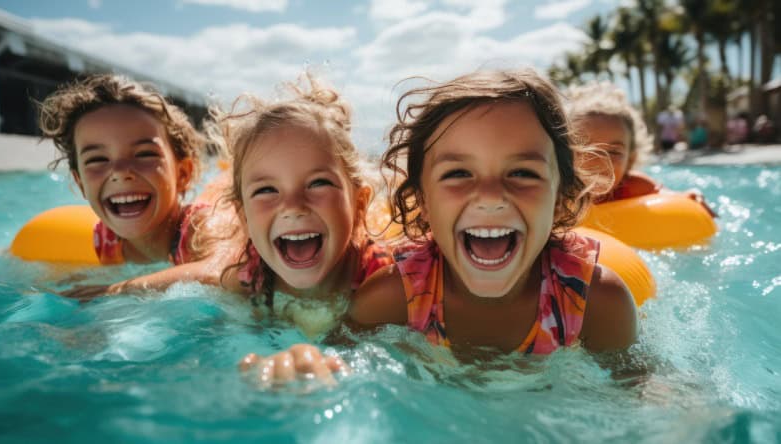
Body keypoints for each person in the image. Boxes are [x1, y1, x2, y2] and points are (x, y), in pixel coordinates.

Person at [239, 69, 638, 383]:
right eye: (458, 173)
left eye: (522, 172)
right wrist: (301, 361)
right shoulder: (393, 299)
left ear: (563, 194)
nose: (489, 195)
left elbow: (642, 395)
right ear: (423, 202)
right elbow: (335, 363)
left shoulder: (596, 304)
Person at [217, 73, 393, 337]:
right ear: (243, 217)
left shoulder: (383, 283)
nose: (293, 206)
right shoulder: (248, 280)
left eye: (318, 183)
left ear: (359, 204)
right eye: (266, 190)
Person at [39, 74, 240, 298]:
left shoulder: (201, 228)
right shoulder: (106, 241)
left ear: (183, 173)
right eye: (97, 159)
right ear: (80, 183)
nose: (120, 172)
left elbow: (222, 272)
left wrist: (115, 290)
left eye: (144, 154)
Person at [567, 82, 716, 216]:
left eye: (614, 152)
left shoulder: (635, 186)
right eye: (587, 148)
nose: (600, 160)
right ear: (566, 153)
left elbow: (675, 199)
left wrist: (691, 197)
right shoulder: (561, 193)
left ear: (630, 161)